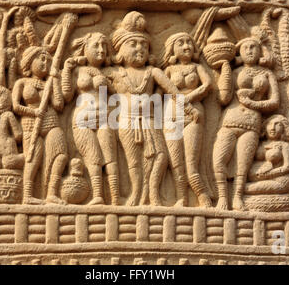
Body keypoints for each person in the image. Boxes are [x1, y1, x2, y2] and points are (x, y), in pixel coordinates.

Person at [105, 11, 200, 206]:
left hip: (150, 120)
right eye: (133, 44)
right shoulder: (115, 72)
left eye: (144, 45)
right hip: (126, 121)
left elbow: (173, 90)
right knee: (134, 161)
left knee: (161, 156)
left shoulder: (153, 72)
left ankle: (153, 193)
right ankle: (136, 194)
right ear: (120, 51)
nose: (139, 49)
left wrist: (189, 109)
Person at [212, 30, 280, 211]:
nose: (249, 50)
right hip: (230, 120)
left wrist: (253, 103)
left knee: (243, 165)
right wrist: (225, 71)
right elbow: (223, 98)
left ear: (260, 51)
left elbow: (275, 102)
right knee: (218, 160)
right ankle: (222, 198)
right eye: (245, 48)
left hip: (251, 122)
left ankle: (237, 198)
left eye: (253, 47)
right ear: (239, 52)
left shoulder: (267, 74)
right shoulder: (235, 72)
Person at [61, 32, 120, 205]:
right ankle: (98, 196)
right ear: (84, 48)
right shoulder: (78, 71)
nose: (101, 50)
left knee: (110, 157)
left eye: (104, 46)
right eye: (96, 45)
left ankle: (115, 198)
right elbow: (67, 95)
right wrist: (66, 71)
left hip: (104, 117)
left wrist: (107, 85)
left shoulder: (112, 71)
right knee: (93, 157)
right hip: (82, 118)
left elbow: (119, 95)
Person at [160, 32, 213, 207]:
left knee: (191, 165)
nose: (186, 46)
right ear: (172, 49)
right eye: (181, 43)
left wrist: (189, 97)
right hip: (171, 116)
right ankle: (181, 198)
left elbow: (207, 85)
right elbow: (158, 93)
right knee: (176, 164)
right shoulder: (168, 70)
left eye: (189, 42)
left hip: (193, 116)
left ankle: (203, 197)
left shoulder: (197, 67)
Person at [12, 46, 68, 205]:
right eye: (41, 59)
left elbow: (58, 105)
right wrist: (34, 112)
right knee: (33, 158)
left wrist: (55, 80)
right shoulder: (22, 82)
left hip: (51, 121)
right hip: (31, 124)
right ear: (30, 61)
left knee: (60, 155)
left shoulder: (49, 82)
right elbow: (16, 106)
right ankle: (28, 195)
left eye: (48, 61)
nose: (45, 63)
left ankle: (51, 193)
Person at [246, 115, 289, 195]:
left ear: (284, 129)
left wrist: (268, 174)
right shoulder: (259, 144)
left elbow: (288, 167)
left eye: (277, 124)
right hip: (256, 178)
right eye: (270, 124)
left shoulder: (283, 145)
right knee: (242, 188)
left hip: (278, 179)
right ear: (265, 128)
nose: (272, 128)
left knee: (246, 189)